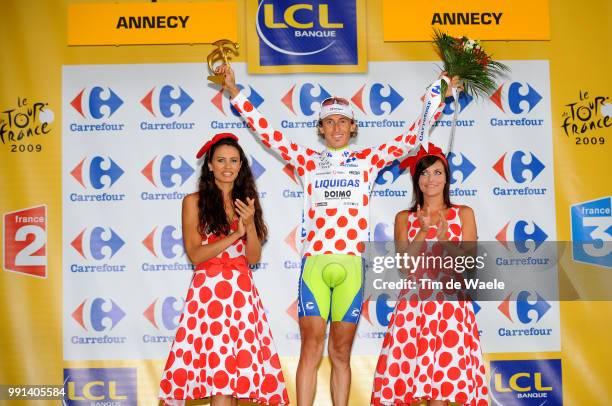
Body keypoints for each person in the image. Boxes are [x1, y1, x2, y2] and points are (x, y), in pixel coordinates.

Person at [217, 65, 459, 406]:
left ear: (352, 126)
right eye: (329, 121)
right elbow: (268, 132)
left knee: (340, 352)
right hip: (315, 264)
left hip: (352, 267)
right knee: (311, 347)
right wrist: (235, 92)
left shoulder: (367, 159)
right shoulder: (307, 159)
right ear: (320, 128)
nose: (336, 127)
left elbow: (412, 136)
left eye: (342, 121)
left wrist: (440, 92)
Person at [159, 133, 289, 406]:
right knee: (220, 378)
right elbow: (196, 254)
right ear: (209, 165)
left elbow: (252, 257)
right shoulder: (193, 202)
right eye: (220, 160)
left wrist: (250, 224)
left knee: (233, 378)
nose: (227, 166)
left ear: (240, 165)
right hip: (209, 297)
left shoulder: (247, 202)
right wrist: (233, 235)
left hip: (241, 296)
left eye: (233, 160)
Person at [370, 143, 488, 405]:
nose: (430, 179)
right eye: (424, 173)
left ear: (446, 178)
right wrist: (423, 232)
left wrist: (445, 238)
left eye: (437, 173)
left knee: (441, 384)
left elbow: (469, 263)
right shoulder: (405, 217)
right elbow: (405, 266)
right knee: (409, 379)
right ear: (416, 179)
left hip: (450, 306)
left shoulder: (464, 213)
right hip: (415, 305)